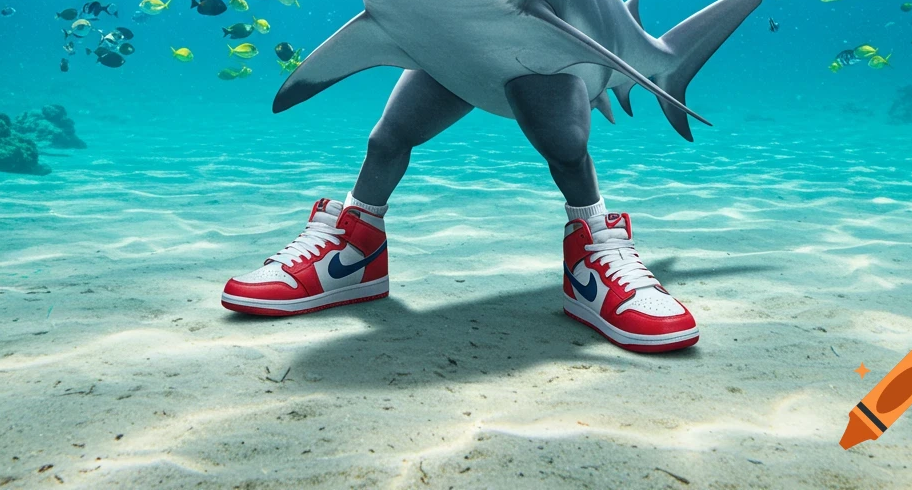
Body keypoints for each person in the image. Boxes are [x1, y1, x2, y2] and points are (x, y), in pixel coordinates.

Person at [221, 69, 700, 354]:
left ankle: (593, 248)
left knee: (567, 150)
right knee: (385, 139)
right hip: (446, 37)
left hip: (538, 40)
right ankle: (355, 251)